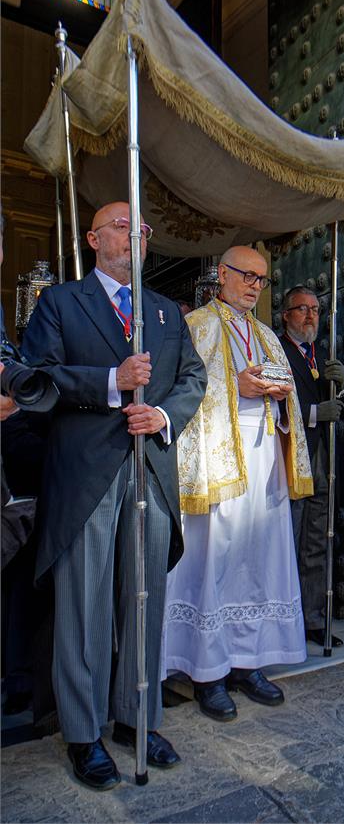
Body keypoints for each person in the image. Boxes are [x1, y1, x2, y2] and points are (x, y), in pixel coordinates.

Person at [21, 201, 207, 790]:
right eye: (122, 226)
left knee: (143, 600)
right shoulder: (60, 303)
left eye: (142, 228)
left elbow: (193, 377)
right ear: (94, 238)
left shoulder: (164, 310)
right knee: (85, 606)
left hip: (150, 467)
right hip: (86, 474)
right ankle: (84, 733)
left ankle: (136, 716)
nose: (135, 236)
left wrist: (162, 414)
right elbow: (36, 378)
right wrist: (110, 382)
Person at [162, 246, 313, 722]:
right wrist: (237, 386)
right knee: (216, 563)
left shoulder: (267, 335)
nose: (253, 285)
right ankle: (208, 672)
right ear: (221, 275)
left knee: (258, 562)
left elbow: (286, 399)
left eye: (261, 279)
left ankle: (249, 661)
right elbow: (179, 392)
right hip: (216, 462)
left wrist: (281, 397)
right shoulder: (195, 326)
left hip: (264, 458)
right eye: (246, 275)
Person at [280, 286, 344, 647]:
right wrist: (311, 414)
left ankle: (313, 618)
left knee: (316, 542)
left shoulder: (324, 357)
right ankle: (284, 621)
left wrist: (343, 384)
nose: (310, 316)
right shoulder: (276, 350)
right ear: (285, 316)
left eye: (315, 310)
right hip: (291, 460)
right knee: (288, 540)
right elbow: (272, 405)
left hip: (322, 459)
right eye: (302, 309)